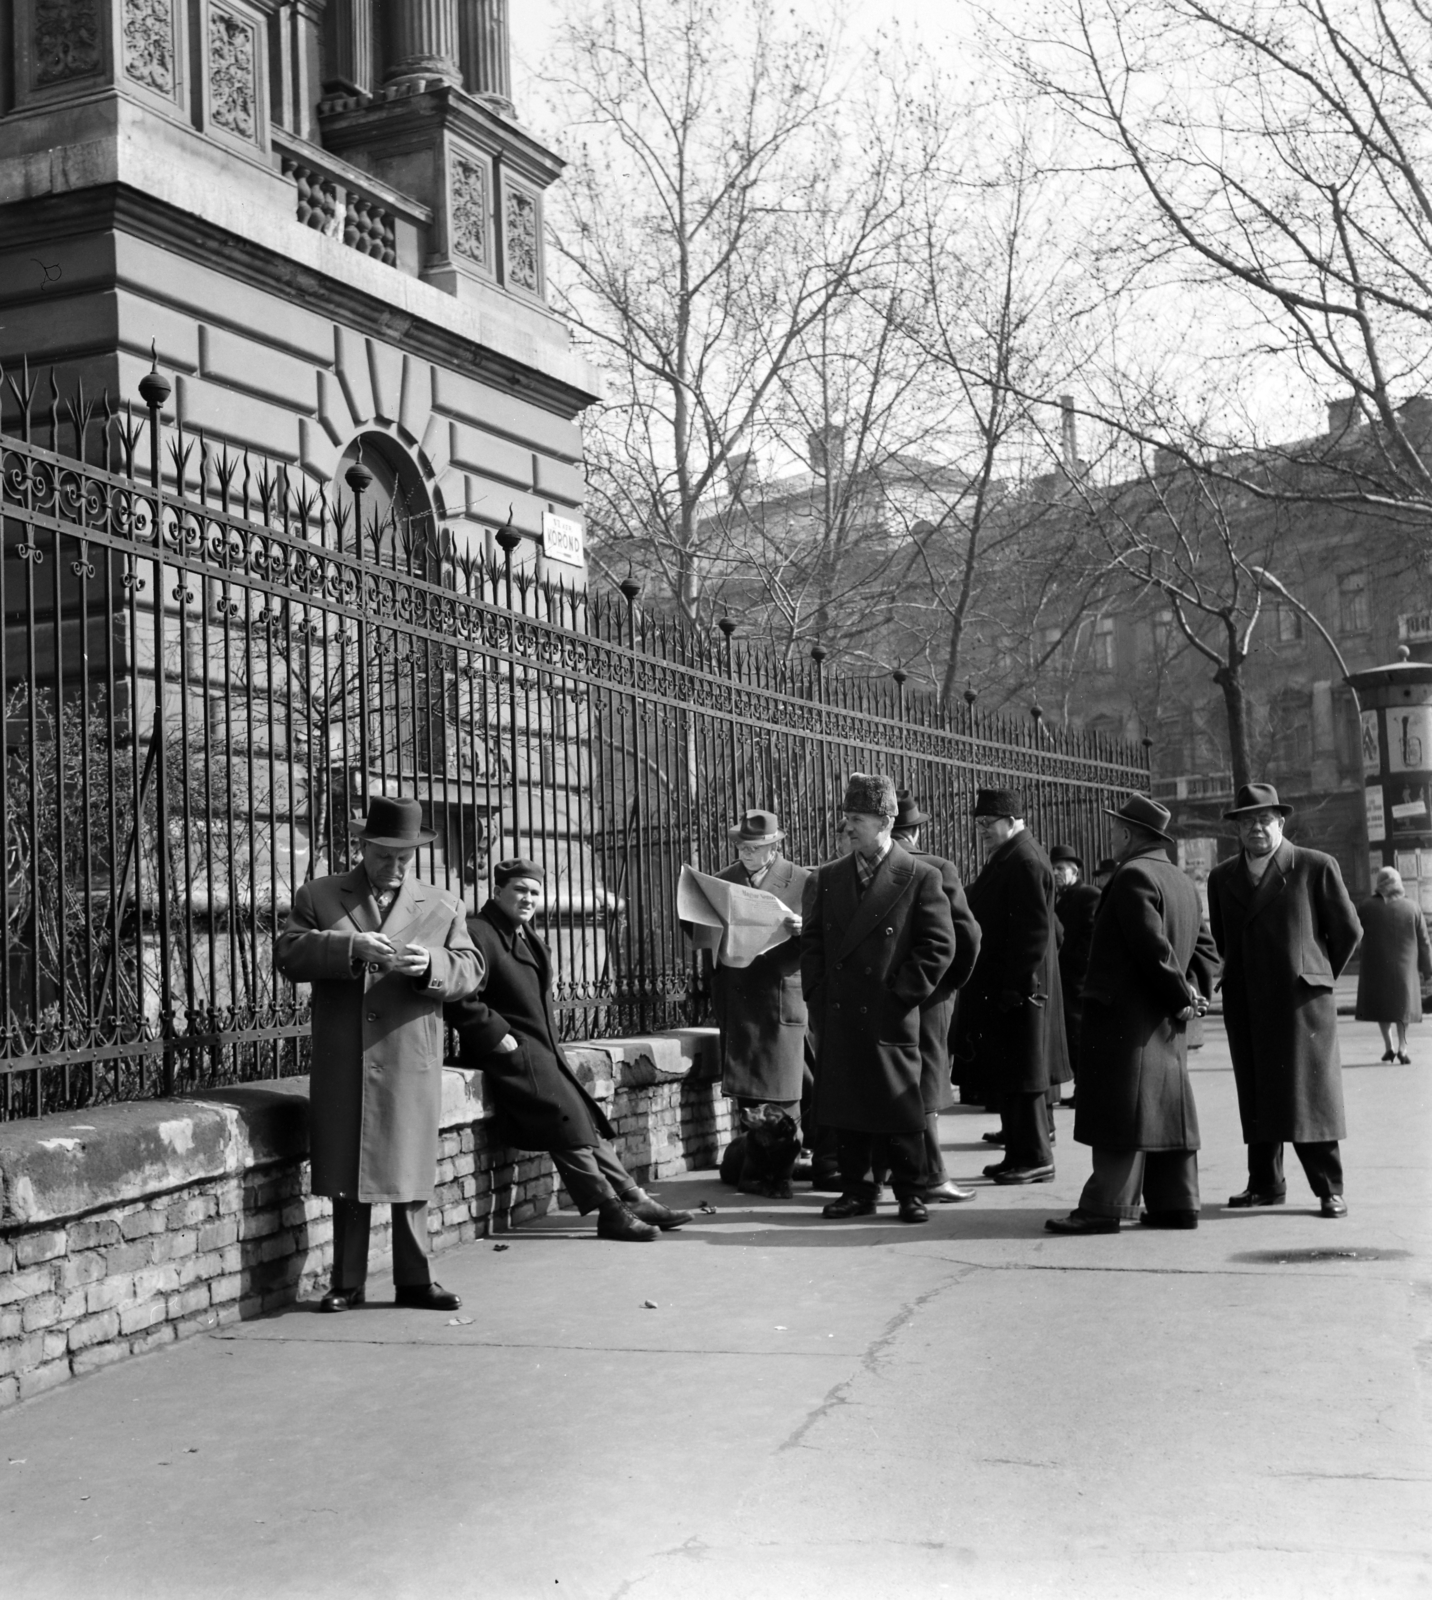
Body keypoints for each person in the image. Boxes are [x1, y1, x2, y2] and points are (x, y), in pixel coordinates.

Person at [275, 795, 482, 1313]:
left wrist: (429, 964)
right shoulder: (320, 895)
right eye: (384, 855)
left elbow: (471, 968)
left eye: (404, 858)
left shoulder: (442, 903)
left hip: (410, 1053)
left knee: (410, 1172)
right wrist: (349, 950)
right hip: (345, 1056)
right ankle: (346, 1281)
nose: (394, 867)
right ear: (363, 846)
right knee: (348, 1172)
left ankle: (415, 1281)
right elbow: (289, 954)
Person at [447, 859, 692, 1242]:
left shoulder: (525, 933)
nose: (528, 899)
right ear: (497, 891)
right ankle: (611, 1209)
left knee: (583, 1122)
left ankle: (633, 1197)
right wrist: (494, 1034)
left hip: (542, 1052)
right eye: (519, 890)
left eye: (534, 892)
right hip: (508, 1054)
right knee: (564, 1121)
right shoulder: (479, 933)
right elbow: (459, 995)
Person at [1045, 796, 1219, 1235]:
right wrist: (1194, 991)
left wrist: (1180, 994)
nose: (1112, 836)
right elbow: (1206, 951)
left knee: (1122, 1113)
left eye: (1115, 829)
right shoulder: (1179, 880)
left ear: (1127, 834)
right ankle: (1176, 1204)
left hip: (1127, 1018)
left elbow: (1151, 947)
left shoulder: (1131, 876)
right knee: (1166, 1110)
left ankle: (1103, 1207)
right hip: (1166, 1019)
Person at [801, 773, 958, 1224]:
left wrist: (900, 996)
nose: (848, 828)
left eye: (858, 819)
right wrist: (818, 994)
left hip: (891, 1014)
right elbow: (812, 943)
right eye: (847, 818)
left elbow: (939, 946)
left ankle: (911, 1192)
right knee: (848, 1109)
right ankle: (858, 1191)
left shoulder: (920, 876)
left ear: (886, 822)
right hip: (841, 1012)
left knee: (899, 1108)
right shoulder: (830, 877)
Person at [1207, 783, 1362, 1218]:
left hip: (1300, 1004)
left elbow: (1348, 931)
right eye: (1245, 822)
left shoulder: (1314, 866)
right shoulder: (1222, 877)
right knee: (1257, 1094)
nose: (1255, 828)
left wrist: (1315, 973)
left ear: (1281, 822)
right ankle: (1265, 1186)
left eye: (1264, 820)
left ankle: (1329, 1188)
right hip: (1247, 1001)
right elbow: (1223, 936)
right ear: (1237, 830)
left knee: (1309, 1096)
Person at [685, 809, 809, 1195]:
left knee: (785, 1088)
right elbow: (695, 929)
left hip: (779, 994)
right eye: (740, 846)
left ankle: (784, 1170)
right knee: (749, 1093)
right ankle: (757, 1170)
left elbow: (827, 935)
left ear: (774, 847)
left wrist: (805, 930)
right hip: (738, 994)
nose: (745, 854)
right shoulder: (722, 881)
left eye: (754, 848)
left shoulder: (805, 881)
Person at [952, 788, 1070, 1184]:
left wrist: (1015, 987)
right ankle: (1018, 1153)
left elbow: (1035, 932)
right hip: (1014, 990)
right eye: (979, 824)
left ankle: (1036, 1157)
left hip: (1022, 993)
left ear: (1012, 821)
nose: (982, 830)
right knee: (1013, 1077)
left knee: (1026, 1080)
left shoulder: (1024, 859)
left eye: (988, 823)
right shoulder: (1012, 855)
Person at [891, 789, 981, 1203]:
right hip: (930, 994)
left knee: (898, 1077)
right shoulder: (937, 866)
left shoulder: (862, 871)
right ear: (914, 831)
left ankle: (903, 1172)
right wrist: (951, 983)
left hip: (889, 991)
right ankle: (932, 1174)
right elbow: (968, 935)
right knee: (925, 1080)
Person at [1355, 867, 1431, 1063]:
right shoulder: (1412, 907)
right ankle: (1403, 1049)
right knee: (1403, 1009)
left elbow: (1354, 934)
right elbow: (1424, 941)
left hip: (1377, 967)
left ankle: (1389, 1046)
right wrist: (1428, 969)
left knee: (1383, 1007)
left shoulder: (1366, 906)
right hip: (1406, 970)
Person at [1051, 843, 1100, 1104]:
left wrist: (1079, 965)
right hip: (1066, 978)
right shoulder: (1058, 897)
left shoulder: (1087, 895)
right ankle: (1083, 1089)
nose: (1056, 873)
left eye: (1061, 869)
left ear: (1075, 871)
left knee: (1080, 1036)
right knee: (1072, 1036)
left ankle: (1087, 1090)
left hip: (1078, 978)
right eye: (1053, 868)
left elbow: (1092, 938)